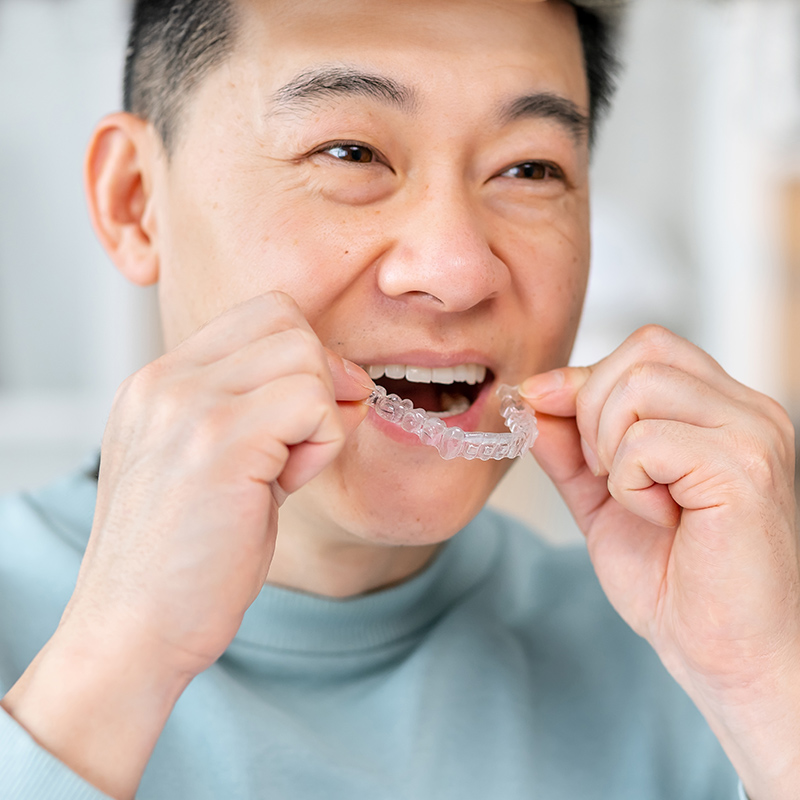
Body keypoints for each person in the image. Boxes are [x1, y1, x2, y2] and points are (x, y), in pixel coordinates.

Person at [0, 0, 797, 798]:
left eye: (530, 169)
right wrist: (110, 670)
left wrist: (767, 689)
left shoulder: (696, 657)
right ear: (134, 199)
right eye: (350, 152)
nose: (456, 271)